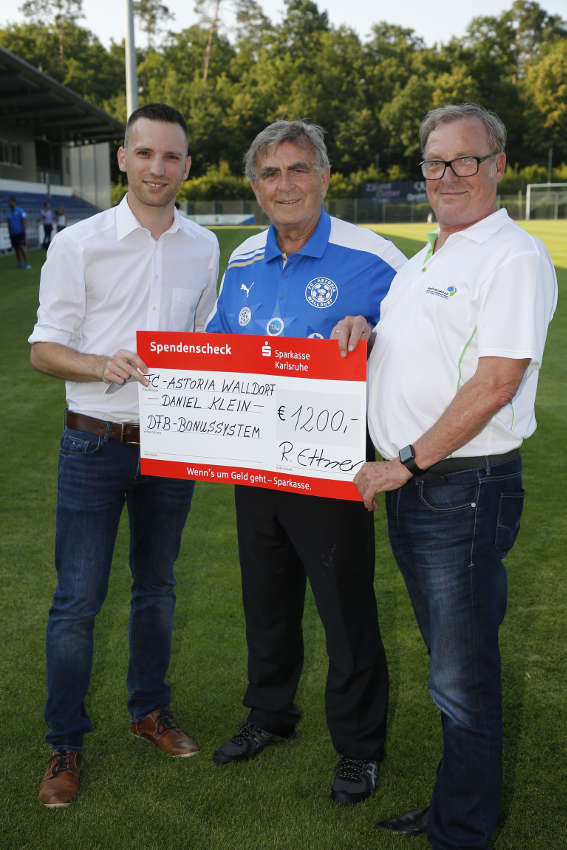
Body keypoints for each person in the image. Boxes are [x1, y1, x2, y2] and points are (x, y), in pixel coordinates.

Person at [333, 103, 557, 848]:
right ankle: (458, 806)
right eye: (435, 162)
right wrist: (366, 330)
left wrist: (405, 461)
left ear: (497, 165)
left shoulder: (512, 256)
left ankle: (460, 831)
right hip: (423, 487)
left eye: (465, 159)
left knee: (461, 680)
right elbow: (420, 352)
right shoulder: (431, 254)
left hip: (458, 487)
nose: (448, 174)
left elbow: (495, 382)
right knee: (447, 669)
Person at [206, 120, 406, 806]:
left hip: (332, 471)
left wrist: (373, 335)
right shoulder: (239, 259)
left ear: (323, 176)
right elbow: (215, 349)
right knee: (265, 600)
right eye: (269, 174)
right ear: (255, 187)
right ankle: (270, 714)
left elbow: (425, 353)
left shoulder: (374, 256)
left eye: (297, 169)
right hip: (254, 466)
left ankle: (358, 747)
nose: (283, 185)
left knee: (344, 610)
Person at [29, 102, 220, 808]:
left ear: (186, 166)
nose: (158, 168)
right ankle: (65, 744)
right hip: (92, 441)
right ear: (123, 159)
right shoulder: (79, 244)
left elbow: (209, 346)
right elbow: (42, 349)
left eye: (171, 157)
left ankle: (148, 711)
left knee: (157, 588)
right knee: (77, 601)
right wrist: (92, 364)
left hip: (169, 446)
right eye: (145, 154)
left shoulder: (204, 246)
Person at [7, 196, 31, 268]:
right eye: (9, 202)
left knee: (22, 248)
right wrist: (9, 233)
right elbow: (9, 224)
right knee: (16, 249)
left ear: (14, 202)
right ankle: (19, 263)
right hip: (13, 234)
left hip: (20, 233)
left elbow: (24, 221)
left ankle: (27, 263)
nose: (9, 203)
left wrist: (23, 232)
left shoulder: (20, 211)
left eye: (10, 202)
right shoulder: (9, 213)